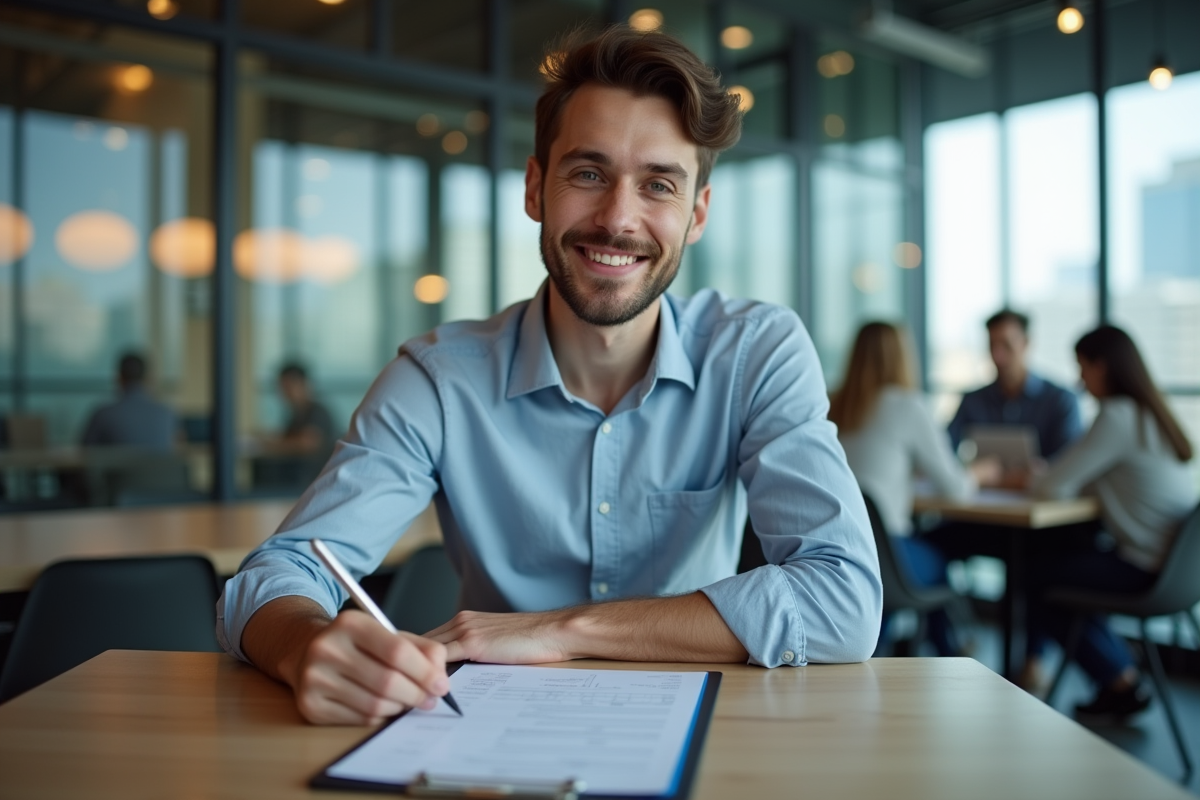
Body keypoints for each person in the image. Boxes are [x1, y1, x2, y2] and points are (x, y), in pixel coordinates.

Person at [217, 26, 882, 726]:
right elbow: (271, 578)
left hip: (699, 725)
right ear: (536, 188)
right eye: (588, 174)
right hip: (479, 730)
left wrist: (563, 630)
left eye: (658, 185)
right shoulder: (438, 380)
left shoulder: (755, 352)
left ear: (696, 215)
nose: (617, 219)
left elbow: (842, 601)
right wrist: (305, 647)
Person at [1023, 325, 1197, 718]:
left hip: (1146, 568)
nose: (1080, 380)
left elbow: (1052, 486)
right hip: (1182, 571)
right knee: (1069, 560)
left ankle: (1120, 680)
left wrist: (1036, 474)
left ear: (1101, 367)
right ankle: (1119, 674)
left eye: (1082, 367)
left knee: (1036, 576)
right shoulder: (1151, 414)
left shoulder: (1116, 416)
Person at [830, 322, 999, 657]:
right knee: (939, 560)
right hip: (886, 553)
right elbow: (956, 489)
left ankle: (923, 649)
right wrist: (981, 472)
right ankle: (950, 654)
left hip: (833, 547)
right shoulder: (906, 406)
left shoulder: (833, 403)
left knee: (916, 562)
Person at [948, 309, 1082, 468]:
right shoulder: (973, 400)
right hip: (984, 484)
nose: (998, 356)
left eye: (1007, 346)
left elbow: (1071, 463)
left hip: (1044, 484)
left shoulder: (1062, 400)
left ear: (1026, 343)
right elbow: (944, 451)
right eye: (992, 346)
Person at [81, 352, 177, 449]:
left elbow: (84, 451)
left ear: (119, 378)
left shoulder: (103, 415)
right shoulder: (167, 414)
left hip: (115, 460)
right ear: (147, 379)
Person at [277, 362, 334, 451]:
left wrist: (269, 444)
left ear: (303, 384)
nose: (285, 392)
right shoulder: (296, 415)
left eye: (289, 387)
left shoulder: (318, 412)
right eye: (283, 387)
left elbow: (307, 443)